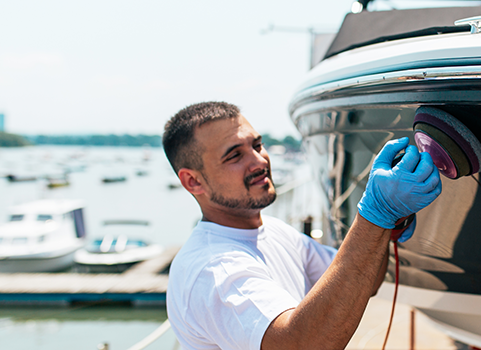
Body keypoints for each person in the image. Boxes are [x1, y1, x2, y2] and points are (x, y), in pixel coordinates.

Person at [163, 101, 441, 350]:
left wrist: (387, 225)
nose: (259, 161)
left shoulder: (274, 232)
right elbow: (300, 345)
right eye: (235, 155)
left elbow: (363, 282)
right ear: (193, 181)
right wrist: (375, 215)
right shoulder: (214, 269)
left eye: (257, 145)